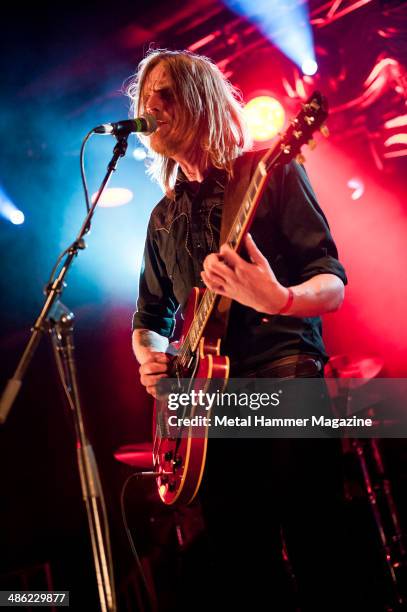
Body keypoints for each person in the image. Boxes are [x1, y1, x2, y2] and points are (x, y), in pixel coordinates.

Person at [128, 49, 356, 611]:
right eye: (145, 97)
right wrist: (153, 360)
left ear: (202, 101)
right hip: (210, 410)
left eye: (167, 93)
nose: (152, 105)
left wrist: (278, 297)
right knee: (243, 564)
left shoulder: (270, 169)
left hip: (283, 375)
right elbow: (149, 319)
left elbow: (331, 283)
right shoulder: (163, 218)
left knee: (317, 543)